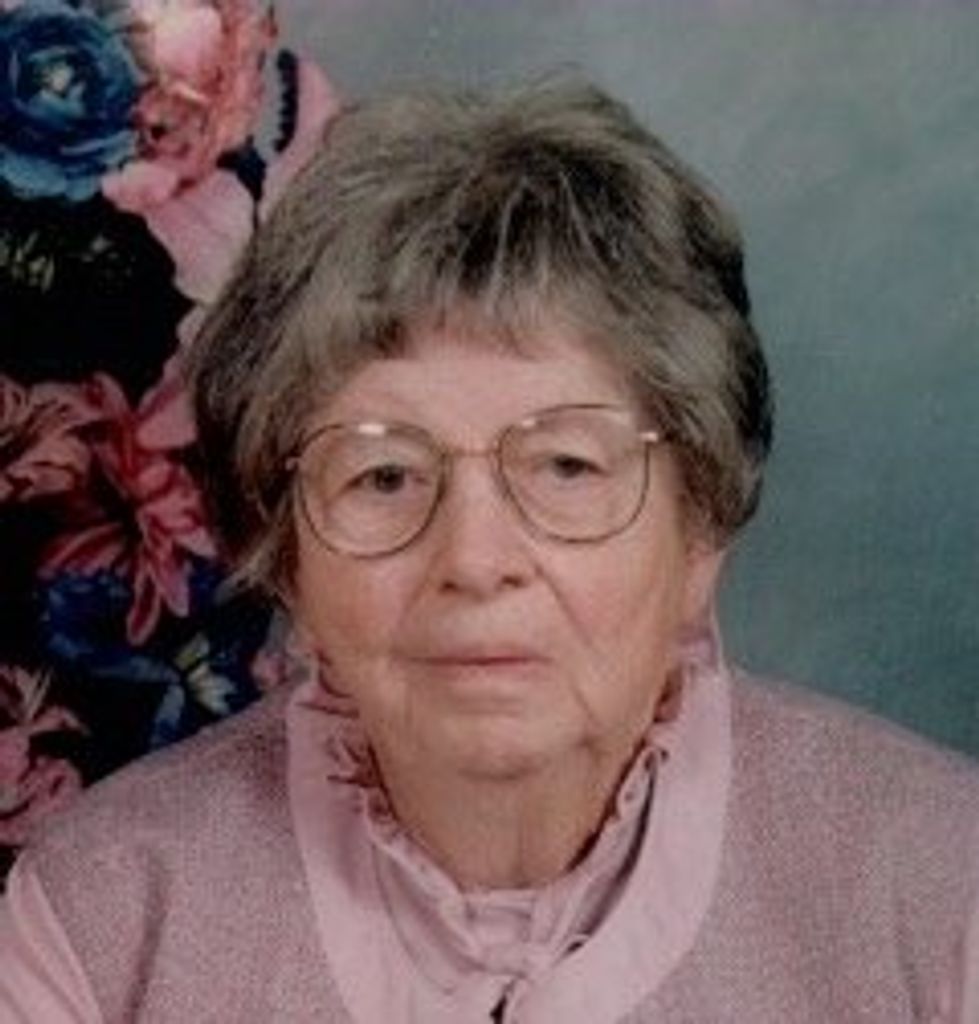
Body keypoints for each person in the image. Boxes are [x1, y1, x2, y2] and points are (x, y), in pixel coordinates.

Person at [1, 77, 977, 1023]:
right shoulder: (99, 924)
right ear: (284, 552)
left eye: (565, 466)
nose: (474, 559)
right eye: (384, 476)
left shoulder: (942, 892)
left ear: (700, 532)